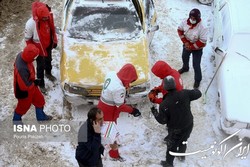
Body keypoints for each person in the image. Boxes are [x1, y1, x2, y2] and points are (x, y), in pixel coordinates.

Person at [150, 76, 202, 167]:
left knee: (172, 146)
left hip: (175, 129)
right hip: (188, 123)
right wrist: (194, 90)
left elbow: (162, 121)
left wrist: (155, 112)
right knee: (184, 140)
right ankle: (182, 156)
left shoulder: (164, 104)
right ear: (174, 85)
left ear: (165, 88)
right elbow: (198, 94)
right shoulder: (185, 93)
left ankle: (169, 163)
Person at [97, 63, 141, 161]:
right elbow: (120, 106)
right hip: (109, 112)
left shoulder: (112, 74)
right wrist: (132, 110)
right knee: (110, 134)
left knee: (106, 129)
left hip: (102, 105)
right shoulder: (119, 88)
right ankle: (114, 154)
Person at [13, 44, 53, 123]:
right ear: (30, 58)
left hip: (32, 86)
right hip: (24, 93)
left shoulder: (22, 55)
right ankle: (16, 122)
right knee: (22, 108)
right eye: (35, 57)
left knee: (40, 100)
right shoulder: (22, 69)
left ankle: (41, 118)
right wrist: (34, 83)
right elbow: (24, 86)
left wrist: (33, 82)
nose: (35, 59)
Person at [25, 1, 58, 94]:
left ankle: (48, 73)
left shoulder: (48, 17)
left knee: (49, 60)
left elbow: (52, 29)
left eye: (47, 17)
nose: (46, 19)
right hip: (38, 50)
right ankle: (41, 84)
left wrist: (54, 40)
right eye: (44, 18)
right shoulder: (30, 24)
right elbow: (28, 40)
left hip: (48, 46)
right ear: (39, 16)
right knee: (40, 67)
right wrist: (33, 51)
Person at [177, 8, 208, 88]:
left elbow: (203, 41)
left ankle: (198, 80)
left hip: (197, 48)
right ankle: (185, 67)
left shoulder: (203, 27)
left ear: (198, 18)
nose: (192, 19)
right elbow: (179, 30)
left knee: (196, 64)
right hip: (187, 44)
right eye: (191, 17)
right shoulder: (184, 22)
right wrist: (185, 42)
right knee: (184, 57)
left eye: (194, 18)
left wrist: (192, 47)